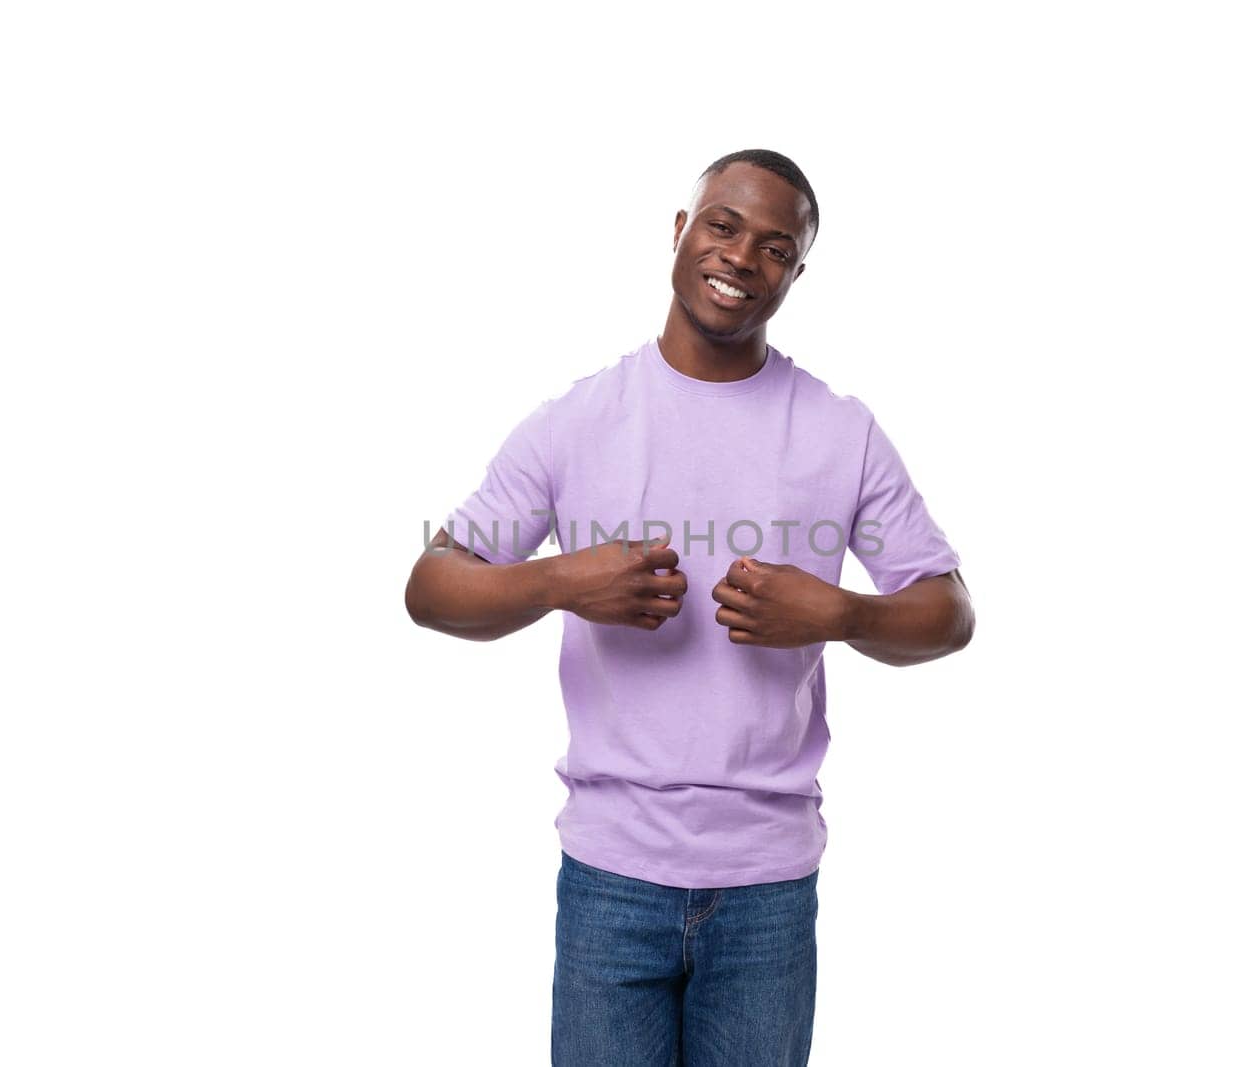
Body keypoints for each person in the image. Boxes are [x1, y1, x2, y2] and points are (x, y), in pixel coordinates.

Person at [404, 148, 974, 1066]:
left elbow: (948, 611)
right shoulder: (579, 419)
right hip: (611, 877)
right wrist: (560, 581)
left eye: (777, 246)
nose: (743, 257)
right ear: (681, 232)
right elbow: (432, 585)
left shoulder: (839, 429)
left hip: (768, 886)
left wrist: (838, 613)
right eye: (724, 225)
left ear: (795, 273)